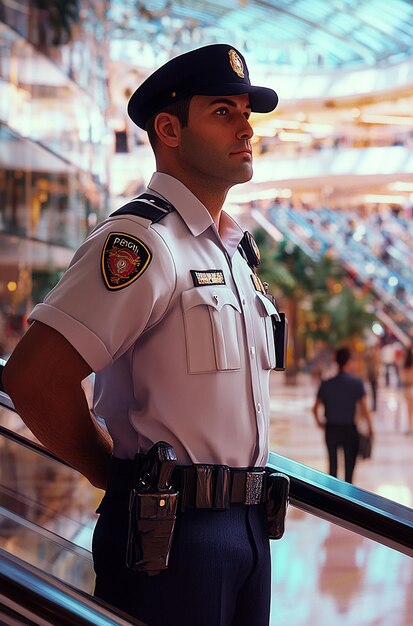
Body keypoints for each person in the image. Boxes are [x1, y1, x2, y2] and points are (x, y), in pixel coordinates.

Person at [3, 44, 284, 626]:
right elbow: (34, 379)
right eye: (223, 112)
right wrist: (110, 473)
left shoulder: (234, 250)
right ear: (169, 129)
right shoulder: (141, 242)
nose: (246, 127)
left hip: (251, 531)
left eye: (246, 112)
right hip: (168, 541)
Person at [313, 347, 374, 484]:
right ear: (348, 362)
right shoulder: (357, 384)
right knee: (349, 469)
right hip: (349, 430)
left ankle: (332, 499)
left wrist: (320, 423)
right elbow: (365, 409)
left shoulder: (327, 384)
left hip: (331, 429)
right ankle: (347, 499)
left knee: (332, 467)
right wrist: (371, 429)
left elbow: (315, 408)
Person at [398, 346, 413, 435]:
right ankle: (412, 427)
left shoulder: (403, 365)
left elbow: (401, 377)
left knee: (408, 409)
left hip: (405, 389)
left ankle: (410, 426)